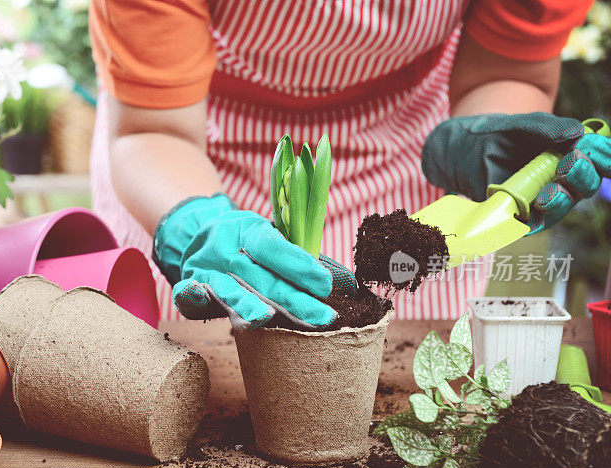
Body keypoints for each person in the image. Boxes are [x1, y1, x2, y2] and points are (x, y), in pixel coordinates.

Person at [89, 0, 608, 329]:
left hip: (401, 147)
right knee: (184, 358)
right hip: (188, 151)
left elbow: (502, 67)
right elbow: (153, 129)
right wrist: (198, 224)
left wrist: (483, 137)